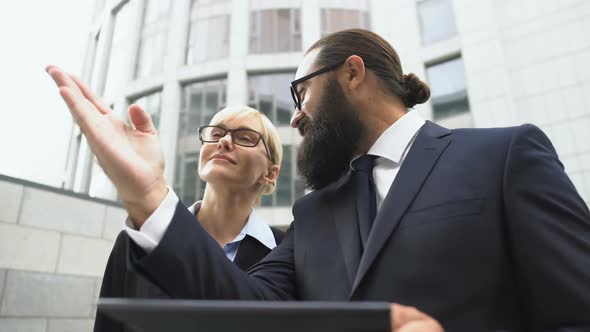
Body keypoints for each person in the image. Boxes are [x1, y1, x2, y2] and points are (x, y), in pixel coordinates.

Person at [47, 28, 590, 331]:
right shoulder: (311, 216)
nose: (296, 118)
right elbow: (242, 311)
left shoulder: (504, 155)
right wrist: (150, 198)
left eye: (300, 93)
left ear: (352, 73)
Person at [93, 106, 286, 332]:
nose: (223, 142)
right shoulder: (137, 241)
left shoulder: (285, 252)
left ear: (271, 174)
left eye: (244, 138)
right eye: (215, 134)